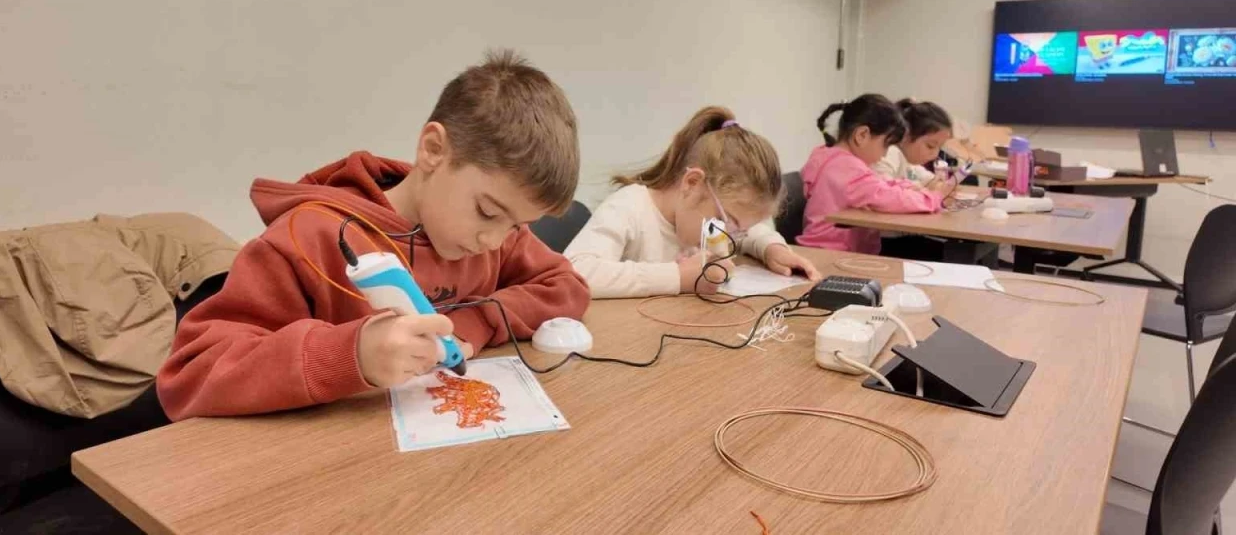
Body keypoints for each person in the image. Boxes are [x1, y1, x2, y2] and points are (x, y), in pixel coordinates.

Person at [157, 51, 591, 419]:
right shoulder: (309, 237)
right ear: (434, 150)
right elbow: (190, 375)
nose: (495, 242)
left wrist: (476, 320)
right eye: (487, 212)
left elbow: (566, 286)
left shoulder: (493, 235)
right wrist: (350, 356)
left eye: (516, 225)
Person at [565, 107, 821, 299]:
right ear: (692, 183)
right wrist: (678, 278)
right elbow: (575, 273)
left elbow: (751, 231)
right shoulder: (629, 208)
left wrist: (772, 248)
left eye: (737, 230)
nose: (726, 236)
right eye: (725, 221)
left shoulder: (710, 221)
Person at [798, 95, 953, 254]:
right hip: (833, 252)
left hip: (823, 248)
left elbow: (879, 183)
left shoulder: (830, 158)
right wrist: (933, 199)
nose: (885, 154)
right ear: (862, 135)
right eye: (885, 146)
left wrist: (909, 188)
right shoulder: (848, 168)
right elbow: (888, 198)